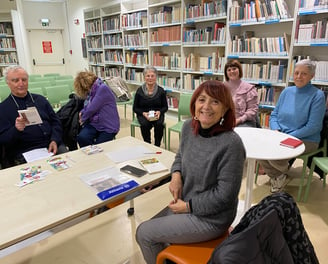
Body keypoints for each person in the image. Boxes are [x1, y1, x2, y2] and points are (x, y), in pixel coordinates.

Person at [136, 80, 246, 264]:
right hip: (187, 202)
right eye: (202, 100)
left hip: (212, 218)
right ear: (194, 103)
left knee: (144, 233)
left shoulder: (231, 144)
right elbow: (180, 156)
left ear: (225, 109)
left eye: (215, 102)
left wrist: (188, 207)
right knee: (152, 233)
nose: (206, 107)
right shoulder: (188, 127)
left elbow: (224, 195)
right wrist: (176, 175)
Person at [259, 59, 326, 193]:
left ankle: (279, 174)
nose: (299, 77)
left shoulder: (317, 96)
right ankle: (279, 175)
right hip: (281, 134)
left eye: (304, 74)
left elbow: (313, 126)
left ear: (312, 76)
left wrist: (288, 136)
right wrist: (276, 129)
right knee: (261, 150)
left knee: (276, 153)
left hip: (307, 139)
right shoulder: (286, 91)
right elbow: (274, 115)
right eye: (296, 73)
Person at [0, 66, 66, 168]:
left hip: (51, 144)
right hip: (26, 151)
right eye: (15, 80)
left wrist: (54, 140)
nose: (21, 83)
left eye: (24, 80)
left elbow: (55, 122)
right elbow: (3, 139)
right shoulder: (3, 108)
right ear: (8, 83)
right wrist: (16, 129)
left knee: (68, 166)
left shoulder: (40, 100)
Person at [73, 71, 120, 147]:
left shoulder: (102, 89)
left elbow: (92, 108)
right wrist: (82, 112)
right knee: (82, 137)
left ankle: (97, 156)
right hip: (95, 124)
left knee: (100, 146)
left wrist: (82, 118)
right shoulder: (92, 91)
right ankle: (90, 156)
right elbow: (87, 106)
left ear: (86, 86)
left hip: (108, 126)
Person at [133, 66, 168, 147]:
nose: (150, 78)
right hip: (143, 114)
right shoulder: (139, 91)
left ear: (156, 77)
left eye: (152, 76)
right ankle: (147, 144)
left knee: (159, 125)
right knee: (145, 125)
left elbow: (165, 107)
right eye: (148, 76)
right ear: (144, 77)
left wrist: (160, 112)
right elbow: (135, 108)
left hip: (157, 113)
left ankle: (157, 145)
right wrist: (143, 113)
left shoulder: (161, 91)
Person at [224, 59, 259, 127]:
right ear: (226, 73)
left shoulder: (249, 88)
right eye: (229, 70)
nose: (232, 71)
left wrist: (239, 120)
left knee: (237, 134)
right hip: (226, 120)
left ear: (239, 70)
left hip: (244, 121)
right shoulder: (222, 87)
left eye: (234, 69)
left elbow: (252, 110)